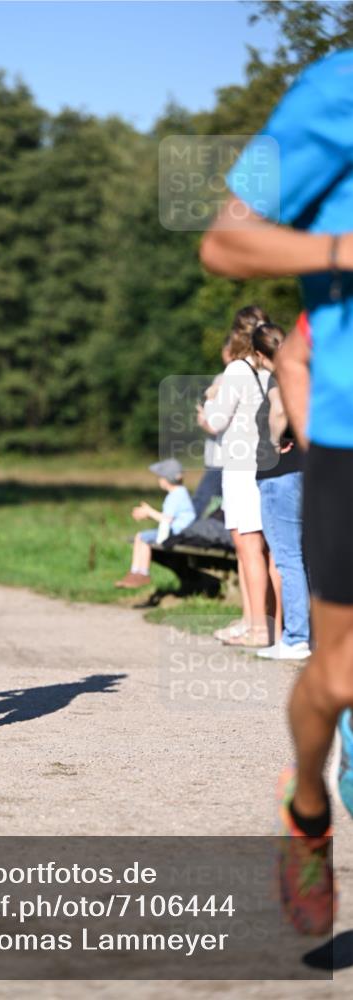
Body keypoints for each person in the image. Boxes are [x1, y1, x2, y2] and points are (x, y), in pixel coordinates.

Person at [201, 47, 353, 935]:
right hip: (349, 429)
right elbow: (224, 238)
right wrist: (340, 247)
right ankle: (306, 806)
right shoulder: (332, 90)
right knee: (336, 674)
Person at [200, 306, 275, 648]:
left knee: (247, 549)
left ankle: (256, 627)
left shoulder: (236, 370)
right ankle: (269, 624)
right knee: (270, 549)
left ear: (235, 335)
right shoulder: (272, 369)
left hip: (241, 467)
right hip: (271, 464)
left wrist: (207, 408)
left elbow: (216, 422)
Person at [252, 322, 310, 661]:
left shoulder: (278, 380)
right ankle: (311, 635)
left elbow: (278, 408)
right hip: (306, 472)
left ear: (260, 355)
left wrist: (273, 441)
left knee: (288, 559)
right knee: (307, 557)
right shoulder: (306, 376)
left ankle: (296, 637)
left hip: (279, 477)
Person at [115, 458, 196, 589]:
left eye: (160, 477)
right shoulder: (180, 493)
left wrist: (149, 512)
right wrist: (149, 514)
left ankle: (142, 573)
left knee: (143, 538)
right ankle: (135, 572)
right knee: (140, 536)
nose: (159, 480)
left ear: (166, 480)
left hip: (177, 533)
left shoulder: (175, 496)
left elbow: (167, 520)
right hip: (177, 531)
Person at [192, 336, 231, 518]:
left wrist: (203, 421)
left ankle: (182, 539)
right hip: (229, 456)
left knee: (201, 503)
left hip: (220, 458)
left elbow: (217, 424)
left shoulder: (223, 379)